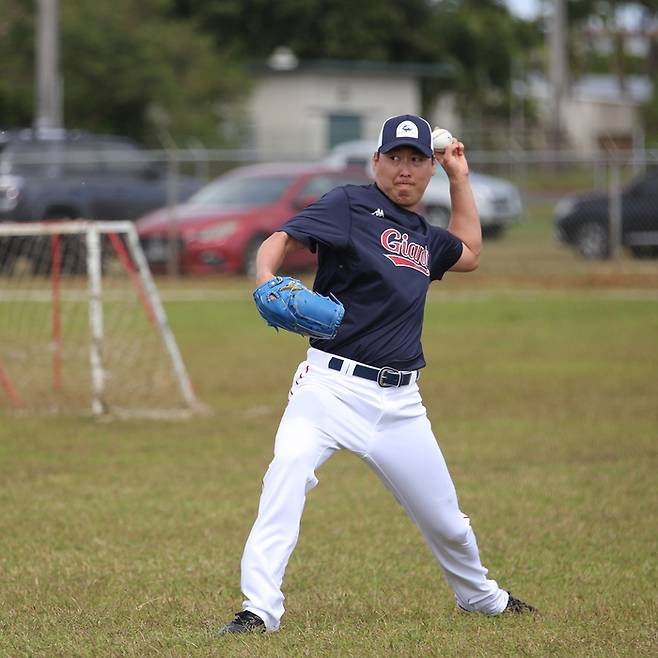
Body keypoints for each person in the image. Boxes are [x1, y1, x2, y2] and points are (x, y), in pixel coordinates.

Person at [218, 114, 536, 635]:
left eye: (416, 160)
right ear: (377, 162)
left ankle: (481, 598)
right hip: (328, 388)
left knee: (448, 524)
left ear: (429, 168)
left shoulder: (426, 238)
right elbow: (282, 237)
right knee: (287, 475)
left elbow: (472, 254)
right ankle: (259, 610)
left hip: (400, 405)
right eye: (395, 158)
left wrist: (460, 176)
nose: (404, 170)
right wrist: (265, 276)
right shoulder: (349, 205)